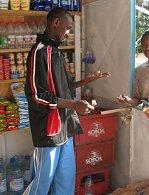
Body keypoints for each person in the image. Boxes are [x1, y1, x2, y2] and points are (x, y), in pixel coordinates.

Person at [24, 7, 110, 195]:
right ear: (56, 23)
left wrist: (89, 79)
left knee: (65, 177)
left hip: (66, 125)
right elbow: (36, 95)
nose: (68, 32)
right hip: (49, 130)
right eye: (67, 28)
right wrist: (74, 104)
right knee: (43, 181)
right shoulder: (39, 52)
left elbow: (67, 87)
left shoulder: (55, 52)